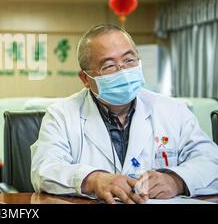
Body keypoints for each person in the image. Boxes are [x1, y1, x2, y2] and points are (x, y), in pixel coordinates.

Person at [31, 24, 218, 204]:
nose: (124, 71)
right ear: (85, 79)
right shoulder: (62, 114)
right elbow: (44, 170)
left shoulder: (173, 110)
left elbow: (211, 161)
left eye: (129, 60)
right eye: (109, 65)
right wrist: (94, 180)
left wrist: (177, 181)